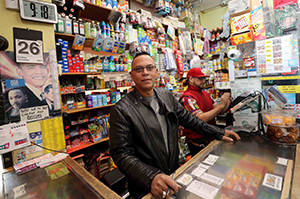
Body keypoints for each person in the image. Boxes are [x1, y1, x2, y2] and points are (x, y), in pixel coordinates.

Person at [109, 52, 240, 198]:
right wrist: (151, 177)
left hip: (173, 174)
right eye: (139, 69)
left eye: (149, 68)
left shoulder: (165, 96)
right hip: (145, 186)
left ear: (156, 72)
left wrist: (217, 132)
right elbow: (121, 154)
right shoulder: (121, 110)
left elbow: (190, 120)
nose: (145, 72)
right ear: (132, 75)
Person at [180, 68, 232, 156]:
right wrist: (222, 104)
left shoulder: (205, 94)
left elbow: (219, 111)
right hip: (198, 142)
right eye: (200, 79)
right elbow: (201, 119)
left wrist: (227, 101)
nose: (203, 81)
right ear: (191, 79)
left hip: (211, 136)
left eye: (204, 78)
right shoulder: (187, 98)